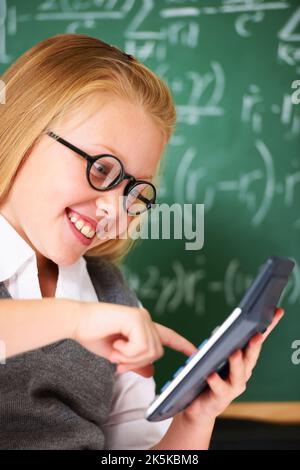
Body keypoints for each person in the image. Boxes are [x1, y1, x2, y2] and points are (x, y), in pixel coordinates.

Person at [0, 33, 284, 450]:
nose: (115, 211)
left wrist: (194, 419)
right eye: (100, 169)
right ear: (23, 128)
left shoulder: (113, 298)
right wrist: (77, 321)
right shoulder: (99, 316)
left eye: (134, 192)